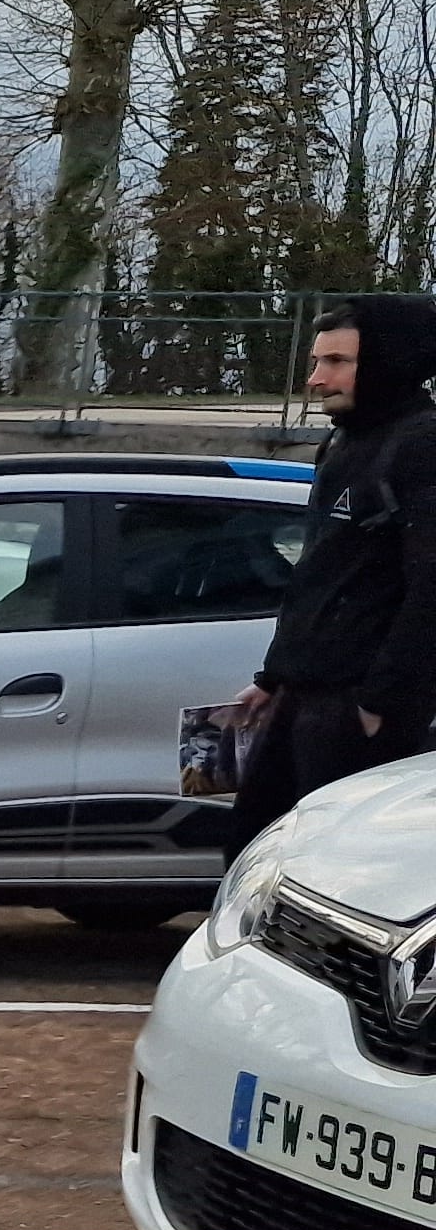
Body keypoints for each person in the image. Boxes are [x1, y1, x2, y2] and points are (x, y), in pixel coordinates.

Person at [230, 293, 436, 847]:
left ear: (389, 360)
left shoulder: (421, 445)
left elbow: (429, 591)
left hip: (357, 707)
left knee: (335, 864)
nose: (317, 380)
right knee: (253, 849)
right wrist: (274, 676)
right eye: (317, 362)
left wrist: (380, 706)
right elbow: (320, 572)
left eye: (337, 362)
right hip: (301, 695)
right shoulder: (341, 441)